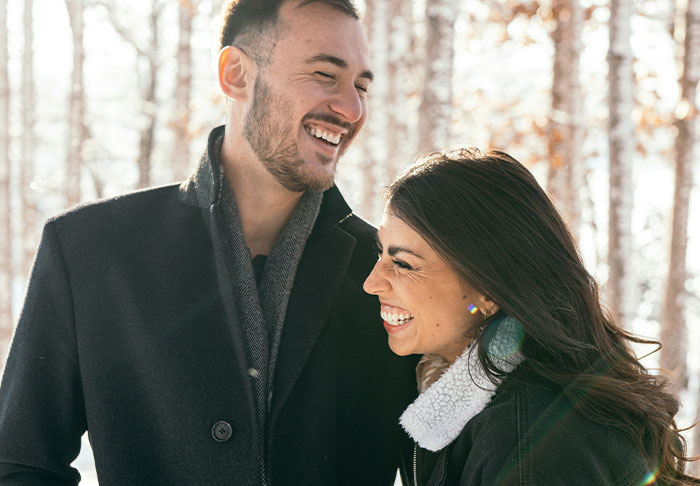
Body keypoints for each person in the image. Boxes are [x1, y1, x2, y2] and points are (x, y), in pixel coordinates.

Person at [0, 1, 418, 485]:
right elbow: (20, 464)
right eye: (325, 74)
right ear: (236, 74)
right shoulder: (89, 250)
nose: (351, 109)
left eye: (361, 87)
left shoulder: (395, 273)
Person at [363, 148, 700, 486]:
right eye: (380, 252)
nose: (371, 283)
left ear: (489, 289)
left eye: (403, 263)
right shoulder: (460, 403)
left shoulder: (531, 445)